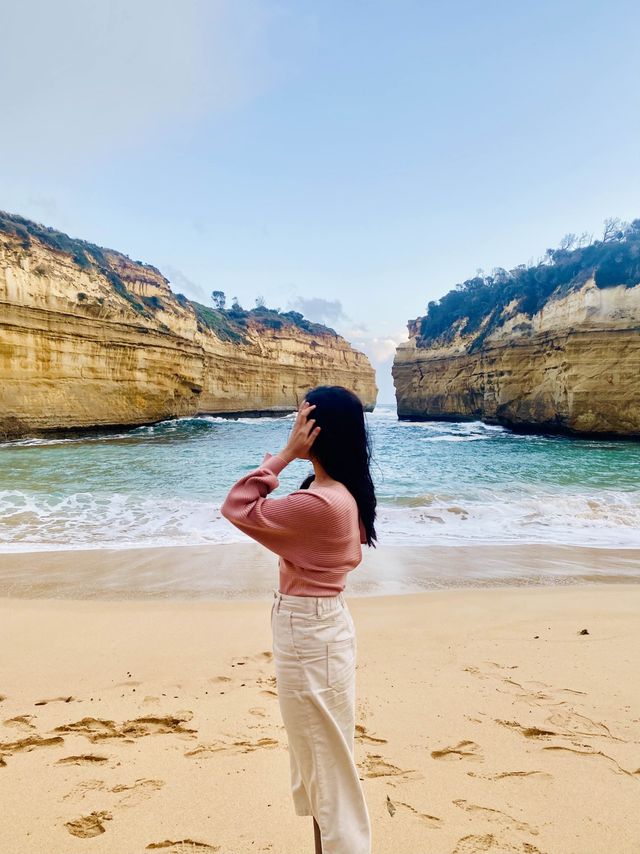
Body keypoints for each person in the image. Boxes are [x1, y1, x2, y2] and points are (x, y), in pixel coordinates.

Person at [220, 385, 377, 854]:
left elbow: (238, 507)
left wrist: (285, 455)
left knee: (327, 777)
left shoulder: (323, 504)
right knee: (318, 767)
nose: (292, 427)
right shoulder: (339, 493)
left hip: (309, 633)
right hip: (320, 630)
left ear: (313, 430)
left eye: (298, 420)